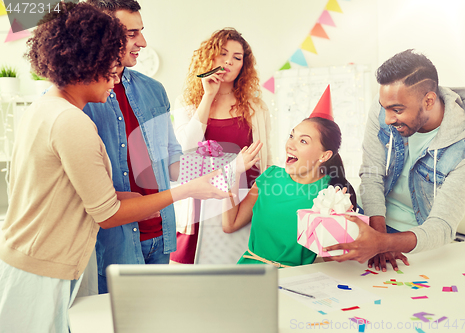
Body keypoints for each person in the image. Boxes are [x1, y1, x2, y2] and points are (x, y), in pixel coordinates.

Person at [0, 3, 231, 332]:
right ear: (90, 54)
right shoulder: (71, 120)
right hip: (63, 260)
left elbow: (88, 189)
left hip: (57, 257)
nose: (114, 79)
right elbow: (105, 212)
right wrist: (186, 191)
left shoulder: (48, 108)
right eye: (110, 64)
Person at [324, 49, 465, 271]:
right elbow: (371, 175)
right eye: (385, 108)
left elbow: (443, 226)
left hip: (417, 244)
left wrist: (383, 243)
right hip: (372, 221)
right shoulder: (385, 106)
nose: (388, 118)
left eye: (397, 110)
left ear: (429, 100)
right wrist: (377, 237)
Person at [83, 0, 181, 294]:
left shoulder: (154, 90)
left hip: (160, 237)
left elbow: (171, 158)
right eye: (131, 33)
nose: (143, 42)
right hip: (111, 244)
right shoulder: (76, 97)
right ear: (100, 35)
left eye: (141, 32)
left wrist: (227, 169)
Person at [170, 28, 273, 264]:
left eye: (237, 58)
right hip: (198, 203)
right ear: (210, 57)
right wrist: (208, 96)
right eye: (223, 54)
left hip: (241, 204)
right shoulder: (187, 102)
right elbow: (186, 148)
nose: (229, 61)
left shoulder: (256, 107)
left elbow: (267, 160)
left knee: (237, 275)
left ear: (243, 67)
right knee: (191, 282)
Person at [222, 88, 357, 267]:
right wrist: (234, 173)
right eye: (291, 136)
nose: (290, 144)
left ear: (324, 156)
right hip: (251, 273)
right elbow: (230, 225)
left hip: (298, 280)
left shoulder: (333, 194)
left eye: (303, 141)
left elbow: (334, 257)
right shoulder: (269, 178)